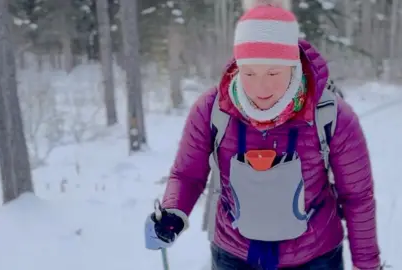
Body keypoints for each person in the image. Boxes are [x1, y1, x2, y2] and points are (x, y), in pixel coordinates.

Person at [145, 1, 381, 269]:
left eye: (273, 72)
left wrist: (367, 265)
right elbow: (187, 175)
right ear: (237, 66)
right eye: (249, 72)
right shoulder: (212, 110)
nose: (261, 86)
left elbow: (357, 197)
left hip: (315, 258)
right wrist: (172, 214)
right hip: (234, 257)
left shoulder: (331, 115)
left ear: (293, 66)